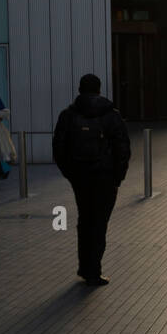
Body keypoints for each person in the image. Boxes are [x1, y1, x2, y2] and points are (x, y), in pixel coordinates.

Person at [53, 74, 130, 287]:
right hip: (105, 177)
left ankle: (84, 268)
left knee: (84, 220)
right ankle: (93, 271)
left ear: (79, 89)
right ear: (99, 89)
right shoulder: (112, 116)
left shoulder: (67, 115)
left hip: (80, 177)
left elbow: (58, 148)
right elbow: (123, 149)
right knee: (99, 224)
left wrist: (71, 174)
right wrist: (117, 177)